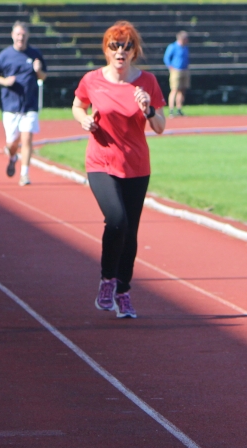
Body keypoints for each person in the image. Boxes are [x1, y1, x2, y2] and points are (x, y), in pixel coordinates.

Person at [72, 21, 166, 319]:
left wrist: (148, 109)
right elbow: (77, 105)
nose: (120, 52)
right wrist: (83, 120)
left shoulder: (147, 82)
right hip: (101, 162)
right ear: (106, 50)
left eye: (126, 47)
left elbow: (160, 126)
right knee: (116, 220)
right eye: (114, 46)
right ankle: (107, 280)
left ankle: (123, 291)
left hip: (136, 165)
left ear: (134, 51)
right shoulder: (92, 79)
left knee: (131, 230)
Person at [0, 21, 48, 186]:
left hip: (30, 104)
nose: (21, 38)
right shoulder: (5, 55)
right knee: (11, 143)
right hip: (10, 105)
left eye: (23, 35)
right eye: (18, 34)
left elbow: (44, 76)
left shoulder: (35, 54)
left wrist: (38, 71)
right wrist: (5, 81)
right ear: (12, 35)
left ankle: (24, 174)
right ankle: (13, 156)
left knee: (27, 138)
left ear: (27, 36)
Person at [163, 30, 190, 117]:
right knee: (174, 90)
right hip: (176, 71)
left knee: (182, 90)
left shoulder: (185, 47)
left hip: (184, 70)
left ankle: (179, 109)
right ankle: (171, 110)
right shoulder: (173, 46)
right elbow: (166, 58)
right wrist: (170, 67)